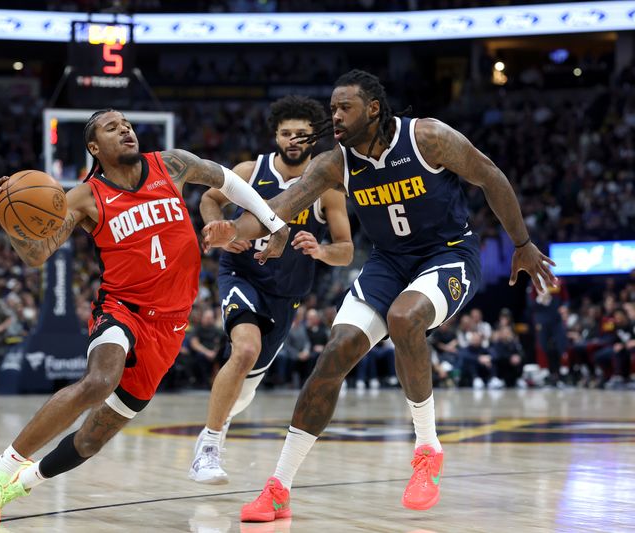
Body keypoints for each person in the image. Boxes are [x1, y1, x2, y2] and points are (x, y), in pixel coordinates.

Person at [203, 69, 557, 521]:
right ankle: (279, 486)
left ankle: (427, 448)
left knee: (405, 318)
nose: (334, 116)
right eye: (331, 108)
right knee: (334, 354)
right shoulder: (334, 163)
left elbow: (491, 176)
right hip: (388, 261)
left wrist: (522, 244)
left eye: (343, 108)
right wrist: (234, 228)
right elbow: (278, 209)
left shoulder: (427, 138)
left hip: (446, 254)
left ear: (373, 108)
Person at [0, 109, 289, 525]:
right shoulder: (84, 196)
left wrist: (273, 222)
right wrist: (10, 220)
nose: (126, 130)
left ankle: (19, 484)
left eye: (127, 124)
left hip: (170, 325)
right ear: (94, 147)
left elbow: (227, 181)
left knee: (93, 438)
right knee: (99, 381)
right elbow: (37, 253)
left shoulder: (170, 165)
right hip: (122, 309)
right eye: (112, 128)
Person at [189, 95, 352, 484]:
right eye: (286, 133)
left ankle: (216, 426)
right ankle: (209, 448)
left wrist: (321, 249)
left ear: (314, 138)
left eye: (301, 134)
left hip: (285, 293)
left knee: (243, 394)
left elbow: (345, 250)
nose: (293, 140)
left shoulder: (327, 186)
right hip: (242, 275)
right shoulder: (251, 169)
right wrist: (222, 235)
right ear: (275, 136)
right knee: (245, 349)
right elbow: (209, 199)